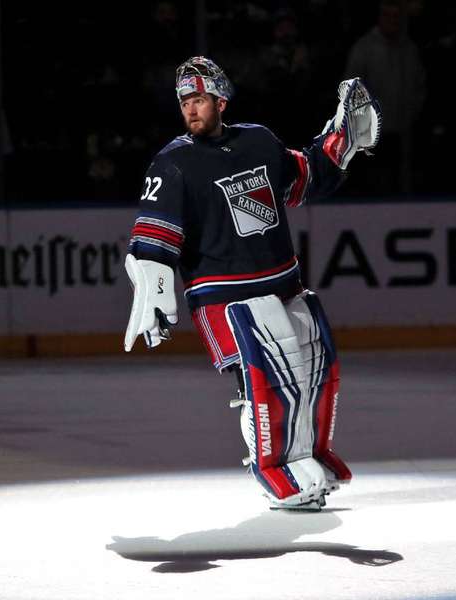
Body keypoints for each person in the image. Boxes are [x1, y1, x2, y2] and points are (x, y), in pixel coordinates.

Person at [122, 56, 381, 510]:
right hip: (222, 296)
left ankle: (309, 456)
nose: (190, 109)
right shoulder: (173, 163)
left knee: (314, 368)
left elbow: (304, 178)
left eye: (198, 99)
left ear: (221, 100)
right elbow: (153, 237)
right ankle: (275, 469)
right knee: (265, 378)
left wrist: (341, 143)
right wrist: (155, 289)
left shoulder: (259, 142)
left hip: (283, 284)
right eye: (184, 101)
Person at [344, 0, 425, 194]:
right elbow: (350, 89)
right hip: (372, 136)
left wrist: (411, 114)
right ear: (379, 18)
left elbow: (419, 86)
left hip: (404, 132)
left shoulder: (409, 49)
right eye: (387, 15)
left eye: (396, 16)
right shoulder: (364, 48)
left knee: (402, 184)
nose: (392, 20)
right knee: (375, 185)